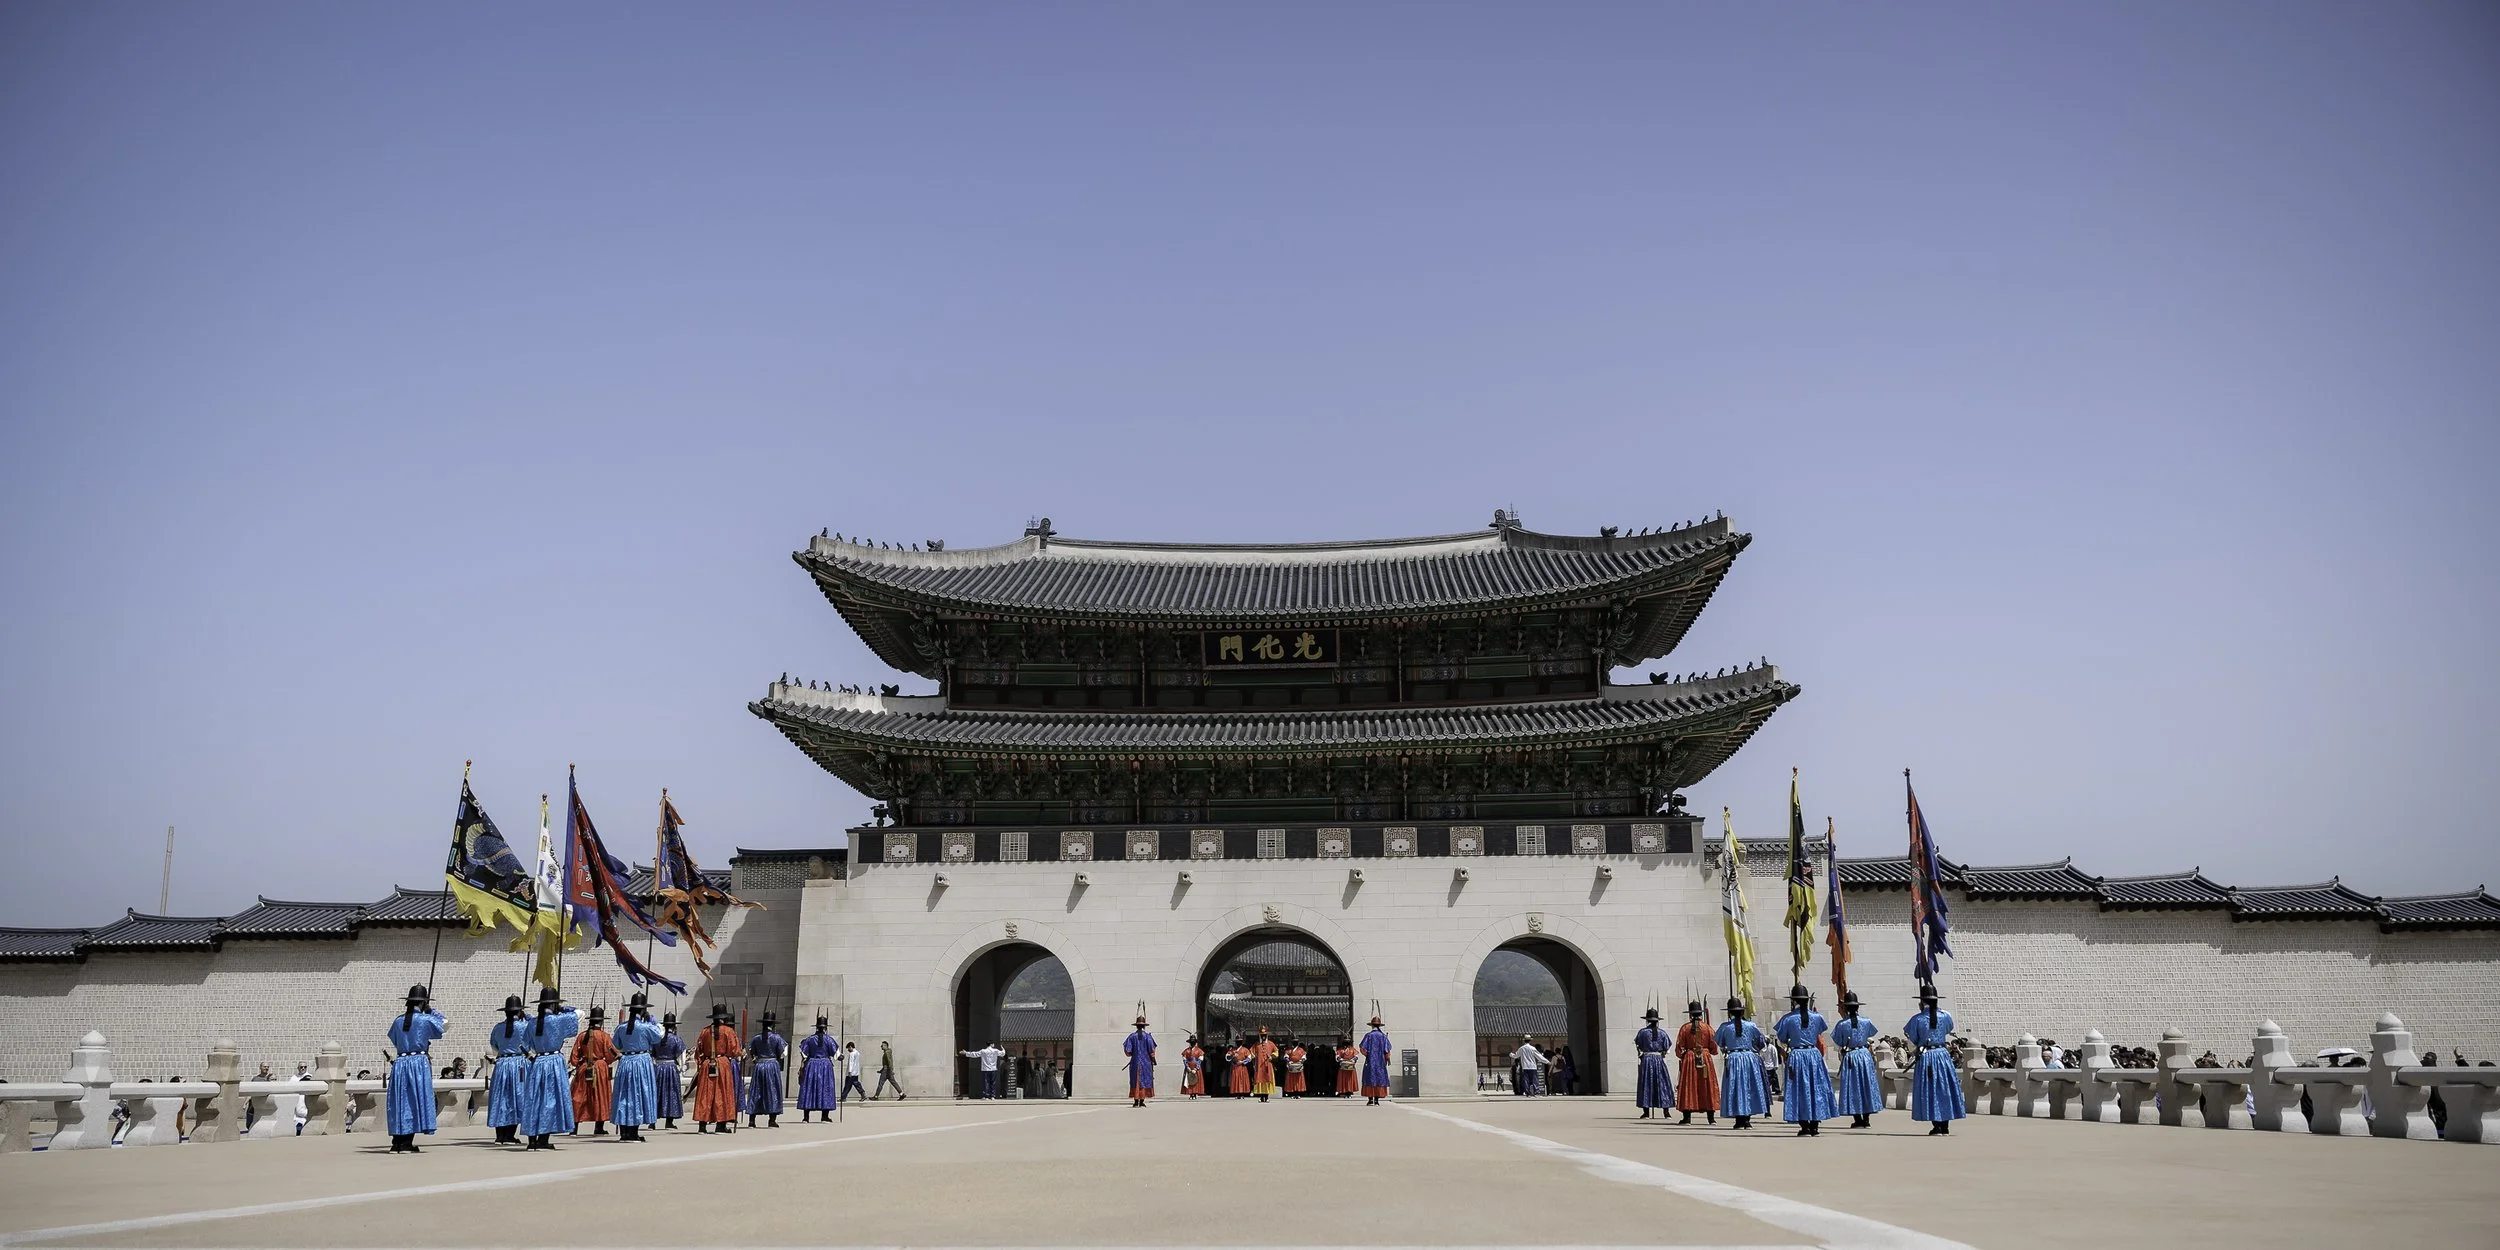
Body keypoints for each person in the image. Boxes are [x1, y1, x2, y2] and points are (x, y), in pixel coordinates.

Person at [384, 983, 445, 1154]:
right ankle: (405, 1143)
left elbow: (394, 1039)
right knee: (414, 1100)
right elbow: (444, 1026)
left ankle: (397, 1141)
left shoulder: (398, 1021)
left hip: (401, 1062)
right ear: (423, 1002)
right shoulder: (425, 1019)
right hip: (418, 1062)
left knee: (400, 1100)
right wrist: (431, 1011)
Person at [519, 987, 582, 1150]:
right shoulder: (557, 1020)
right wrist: (566, 1009)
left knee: (534, 1099)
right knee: (550, 1100)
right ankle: (543, 1139)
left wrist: (532, 1057)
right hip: (553, 1061)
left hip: (538, 1062)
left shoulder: (532, 1022)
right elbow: (580, 1014)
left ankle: (532, 1139)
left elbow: (523, 1046)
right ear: (554, 1004)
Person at [1904, 984, 1966, 1136]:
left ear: (1922, 1001)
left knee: (1930, 1089)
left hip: (1927, 1056)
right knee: (1944, 1088)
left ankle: (1936, 1125)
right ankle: (1945, 1124)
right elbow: (1948, 1029)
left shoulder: (1917, 1019)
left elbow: (1913, 1038)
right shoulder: (1946, 1016)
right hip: (1942, 1054)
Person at [1773, 986, 1835, 1137]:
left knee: (1799, 1089)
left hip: (1797, 1055)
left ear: (1794, 1000)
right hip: (1813, 1054)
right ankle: (1815, 1125)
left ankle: (1805, 1126)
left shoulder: (1787, 1018)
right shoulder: (1817, 1017)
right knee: (1816, 1088)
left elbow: (1781, 1038)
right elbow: (1820, 1032)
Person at [610, 993, 663, 1142]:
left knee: (624, 1095)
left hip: (626, 1060)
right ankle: (633, 1131)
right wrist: (655, 1023)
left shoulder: (621, 1027)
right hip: (641, 1061)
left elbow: (617, 1045)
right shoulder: (646, 1027)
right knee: (638, 1094)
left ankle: (624, 1131)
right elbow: (658, 1036)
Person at [1714, 997, 1770, 1129]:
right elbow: (1761, 1042)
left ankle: (1739, 1118)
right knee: (1748, 1086)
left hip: (1733, 1058)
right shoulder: (1751, 1026)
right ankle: (1747, 1119)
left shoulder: (1724, 1027)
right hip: (1749, 1057)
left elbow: (1720, 1042)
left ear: (1729, 1012)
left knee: (1735, 1087)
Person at [1830, 991, 1882, 1129]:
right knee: (1866, 1085)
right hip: (1864, 1055)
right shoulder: (1866, 1022)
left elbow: (1838, 1043)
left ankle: (1858, 1118)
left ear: (1846, 1007)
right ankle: (1867, 1118)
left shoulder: (1841, 1025)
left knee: (1853, 1086)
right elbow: (1870, 1034)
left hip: (1851, 1056)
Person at [483, 996, 529, 1144]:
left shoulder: (498, 1027)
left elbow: (494, 1045)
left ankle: (500, 1135)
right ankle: (510, 1134)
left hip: (502, 1063)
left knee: (501, 1097)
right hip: (518, 1064)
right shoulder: (525, 1026)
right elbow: (530, 1044)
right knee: (516, 1097)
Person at [569, 1005, 619, 1136]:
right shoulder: (604, 1036)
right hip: (600, 1068)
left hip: (584, 1067)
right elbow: (612, 1054)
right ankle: (599, 1127)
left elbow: (574, 1057)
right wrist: (605, 1062)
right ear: (601, 1021)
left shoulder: (582, 1036)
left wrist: (579, 1064)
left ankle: (574, 1128)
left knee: (579, 1096)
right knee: (601, 1097)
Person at [691, 1004, 741, 1133]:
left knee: (705, 1094)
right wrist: (742, 1053)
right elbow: (734, 1050)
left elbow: (698, 1051)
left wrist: (702, 1063)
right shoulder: (729, 1031)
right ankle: (721, 1125)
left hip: (708, 1063)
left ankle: (702, 1125)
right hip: (722, 1063)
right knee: (722, 1093)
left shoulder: (705, 1031)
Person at [746, 1011, 788, 1127]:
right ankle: (772, 1119)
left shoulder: (756, 1038)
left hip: (759, 1065)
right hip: (772, 1065)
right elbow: (784, 1053)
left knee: (756, 1091)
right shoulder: (777, 1038)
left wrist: (756, 1060)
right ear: (773, 1025)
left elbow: (751, 1052)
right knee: (773, 1090)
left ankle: (752, 1120)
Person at [1633, 1007, 1675, 1118]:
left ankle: (1646, 1112)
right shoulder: (1662, 1033)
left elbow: (1638, 1045)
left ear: (1647, 1020)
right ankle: (1666, 1112)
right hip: (1658, 1059)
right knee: (1662, 1083)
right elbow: (1667, 1047)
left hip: (1646, 1060)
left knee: (1646, 1084)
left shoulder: (1642, 1032)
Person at [797, 1015, 840, 1121]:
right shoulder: (829, 1040)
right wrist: (841, 1056)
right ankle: (824, 1116)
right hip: (825, 1065)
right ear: (825, 1028)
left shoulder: (809, 1039)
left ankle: (806, 1117)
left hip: (811, 1064)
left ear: (816, 1027)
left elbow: (804, 1054)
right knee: (826, 1088)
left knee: (809, 1088)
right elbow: (837, 1055)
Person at [653, 1012, 686, 1130]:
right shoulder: (677, 1040)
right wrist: (681, 1068)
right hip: (671, 1067)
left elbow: (653, 1054)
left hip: (658, 1067)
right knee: (671, 1093)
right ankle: (669, 1121)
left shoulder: (656, 1039)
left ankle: (652, 1122)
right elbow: (681, 1057)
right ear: (674, 1026)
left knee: (656, 1093)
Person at [1360, 1015, 1394, 1105]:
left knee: (1369, 1078)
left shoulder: (1368, 1036)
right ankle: (1377, 1100)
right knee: (1379, 1078)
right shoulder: (1383, 1036)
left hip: (1370, 1061)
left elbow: (1362, 1049)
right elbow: (1387, 1051)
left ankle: (1370, 1100)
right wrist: (1386, 1058)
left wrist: (1369, 1056)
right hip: (1380, 1062)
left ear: (1371, 1025)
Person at [1125, 1015, 1157, 1107]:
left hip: (1135, 1062)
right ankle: (1142, 1101)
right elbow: (1152, 1051)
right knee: (1143, 1080)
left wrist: (1133, 1054)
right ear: (1144, 1026)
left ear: (1136, 1026)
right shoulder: (1148, 1037)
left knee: (1136, 1080)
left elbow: (1128, 1051)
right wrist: (1153, 1060)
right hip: (1146, 1063)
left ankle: (1135, 1101)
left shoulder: (1131, 1037)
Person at [1251, 1027, 1279, 1102]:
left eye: (1264, 1035)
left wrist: (1271, 1056)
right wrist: (1254, 1057)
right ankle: (1261, 1097)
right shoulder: (1256, 1044)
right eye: (1262, 1035)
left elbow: (1276, 1052)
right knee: (1260, 1080)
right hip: (1259, 1066)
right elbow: (1251, 1052)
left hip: (1268, 1066)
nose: (1263, 1036)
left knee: (1268, 1080)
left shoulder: (1271, 1044)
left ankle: (1266, 1097)